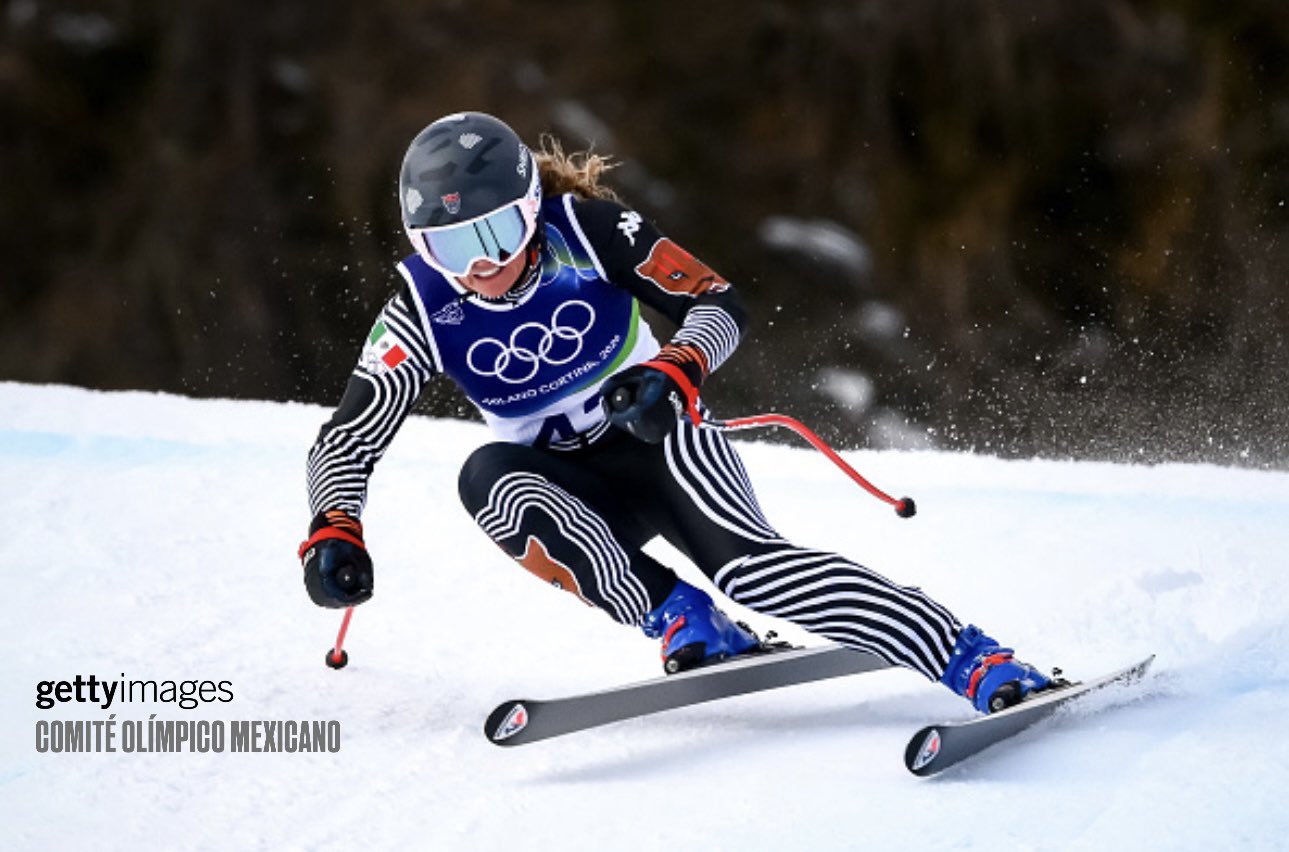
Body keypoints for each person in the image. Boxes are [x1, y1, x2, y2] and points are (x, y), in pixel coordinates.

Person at [299, 111, 1055, 714]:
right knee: (488, 479)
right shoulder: (421, 308)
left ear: (530, 209)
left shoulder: (589, 234)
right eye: (448, 247)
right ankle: (679, 615)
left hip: (662, 442)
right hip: (575, 495)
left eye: (494, 234)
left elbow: (719, 302)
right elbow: (347, 439)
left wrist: (675, 368)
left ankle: (967, 654)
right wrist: (333, 526)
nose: (480, 267)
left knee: (758, 575)